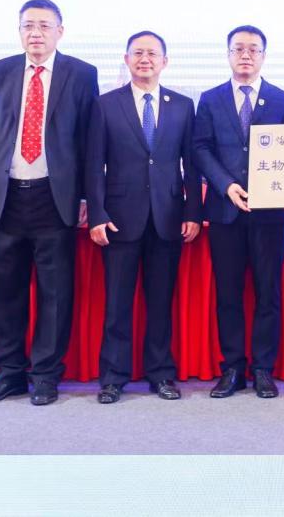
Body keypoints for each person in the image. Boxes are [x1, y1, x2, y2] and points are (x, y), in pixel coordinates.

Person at [0, 0, 99, 406]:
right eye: (28, 25)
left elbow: (89, 142)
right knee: (4, 290)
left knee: (54, 292)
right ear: (19, 31)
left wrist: (86, 196)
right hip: (6, 195)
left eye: (44, 25)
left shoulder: (82, 74)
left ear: (60, 31)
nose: (36, 33)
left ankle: (45, 374)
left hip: (54, 196)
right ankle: (9, 373)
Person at [87, 31, 202, 404]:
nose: (145, 59)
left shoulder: (183, 105)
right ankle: (112, 378)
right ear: (126, 59)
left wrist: (193, 211)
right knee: (117, 304)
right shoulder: (105, 104)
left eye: (152, 53)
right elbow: (94, 164)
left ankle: (161, 373)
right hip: (119, 219)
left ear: (164, 62)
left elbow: (191, 165)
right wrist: (97, 214)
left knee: (160, 303)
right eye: (138, 53)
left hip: (168, 218)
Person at [193, 25, 284, 399]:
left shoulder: (282, 99)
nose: (246, 55)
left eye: (254, 49)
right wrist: (226, 185)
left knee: (269, 292)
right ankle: (233, 368)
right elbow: (201, 148)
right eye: (238, 48)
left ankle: (263, 369)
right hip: (226, 211)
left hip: (270, 214)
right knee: (229, 294)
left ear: (263, 56)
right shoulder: (210, 99)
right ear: (228, 54)